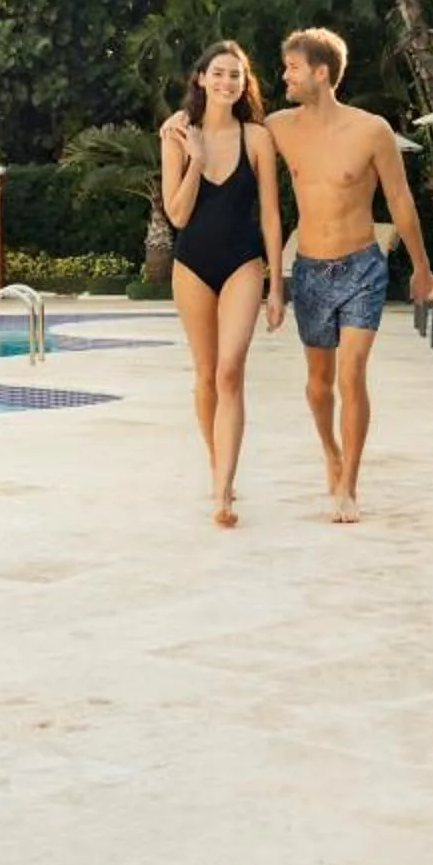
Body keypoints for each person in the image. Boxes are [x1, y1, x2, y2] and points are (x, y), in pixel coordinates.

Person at [270, 27, 432, 523]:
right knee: (319, 385)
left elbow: (400, 200)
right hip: (311, 270)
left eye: (293, 68)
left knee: (351, 373)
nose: (285, 77)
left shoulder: (371, 130)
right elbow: (225, 135)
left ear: (321, 72)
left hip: (363, 265)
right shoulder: (277, 126)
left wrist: (422, 267)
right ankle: (329, 451)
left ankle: (348, 485)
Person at [159, 41, 286, 528]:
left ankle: (223, 496)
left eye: (236, 75)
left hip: (242, 262)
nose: (227, 82)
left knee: (231, 371)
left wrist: (276, 285)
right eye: (219, 73)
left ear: (244, 82)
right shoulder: (176, 133)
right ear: (201, 78)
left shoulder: (257, 137)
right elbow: (177, 213)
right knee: (206, 372)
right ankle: (220, 472)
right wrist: (194, 157)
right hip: (191, 264)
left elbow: (272, 216)